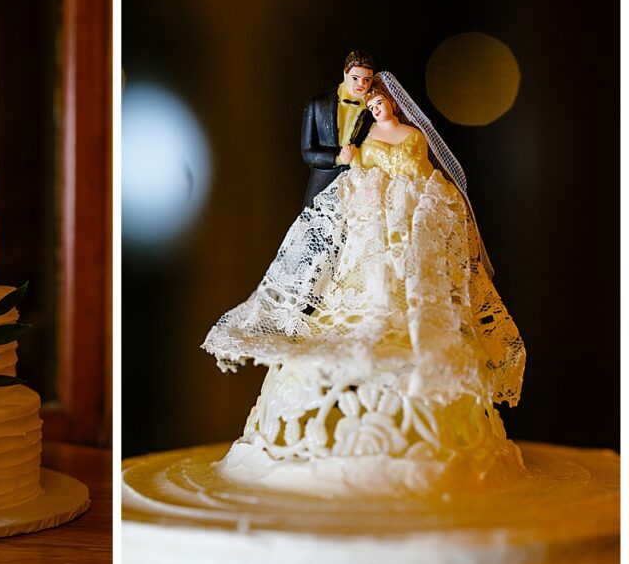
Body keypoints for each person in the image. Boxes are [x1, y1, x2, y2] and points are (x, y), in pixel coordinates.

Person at [203, 72, 524, 410]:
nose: (376, 109)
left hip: (405, 210)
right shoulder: (367, 135)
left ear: (392, 104)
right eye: (371, 105)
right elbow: (358, 167)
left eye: (379, 103)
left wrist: (397, 190)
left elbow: (417, 169)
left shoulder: (413, 136)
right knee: (356, 270)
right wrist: (358, 171)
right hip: (372, 213)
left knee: (406, 275)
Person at [300, 50, 376, 209]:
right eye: (355, 78)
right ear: (345, 74)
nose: (361, 84)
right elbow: (308, 153)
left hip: (359, 189)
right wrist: (338, 158)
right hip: (322, 186)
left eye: (366, 80)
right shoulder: (318, 104)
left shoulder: (374, 110)